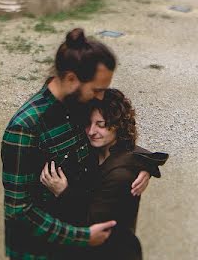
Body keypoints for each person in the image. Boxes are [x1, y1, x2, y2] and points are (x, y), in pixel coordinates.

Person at [1, 28, 151, 259]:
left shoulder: (81, 104)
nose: (101, 97)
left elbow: (112, 133)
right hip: (40, 252)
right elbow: (18, 211)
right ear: (71, 79)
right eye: (97, 89)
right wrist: (82, 236)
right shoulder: (25, 128)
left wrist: (140, 162)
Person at [40, 88, 168, 260]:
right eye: (88, 123)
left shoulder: (121, 175)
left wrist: (62, 192)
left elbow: (92, 225)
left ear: (118, 125)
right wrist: (147, 166)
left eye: (101, 124)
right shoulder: (97, 150)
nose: (92, 131)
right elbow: (137, 153)